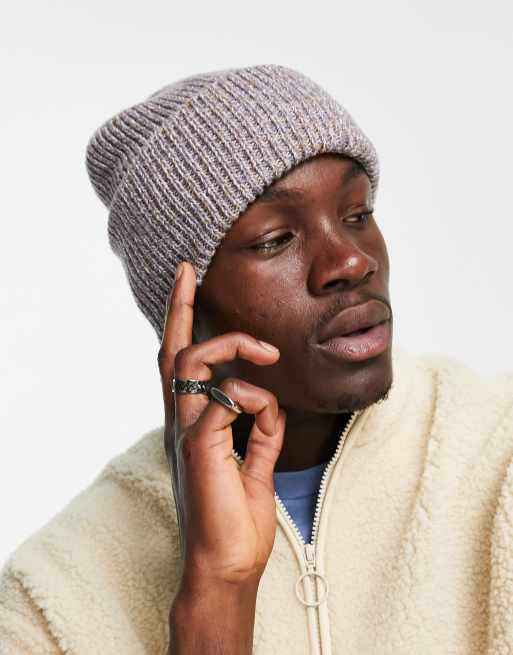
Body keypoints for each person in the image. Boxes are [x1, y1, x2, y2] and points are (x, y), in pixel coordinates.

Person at [1, 63, 512, 655]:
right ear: (182, 309)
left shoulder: (496, 455)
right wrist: (216, 591)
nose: (351, 262)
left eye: (357, 214)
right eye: (275, 240)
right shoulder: (53, 601)